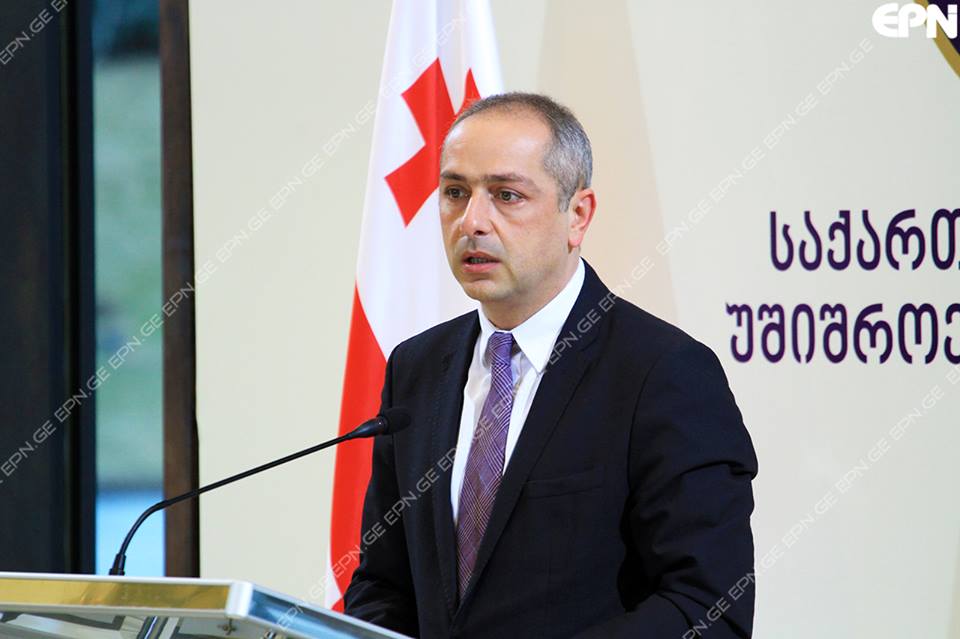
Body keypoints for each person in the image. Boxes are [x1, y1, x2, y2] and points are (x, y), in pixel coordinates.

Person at [343, 92, 758, 639]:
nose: (472, 221)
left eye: (507, 195)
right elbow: (383, 585)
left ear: (577, 215)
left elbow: (707, 608)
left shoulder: (662, 374)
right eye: (455, 193)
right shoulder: (416, 368)